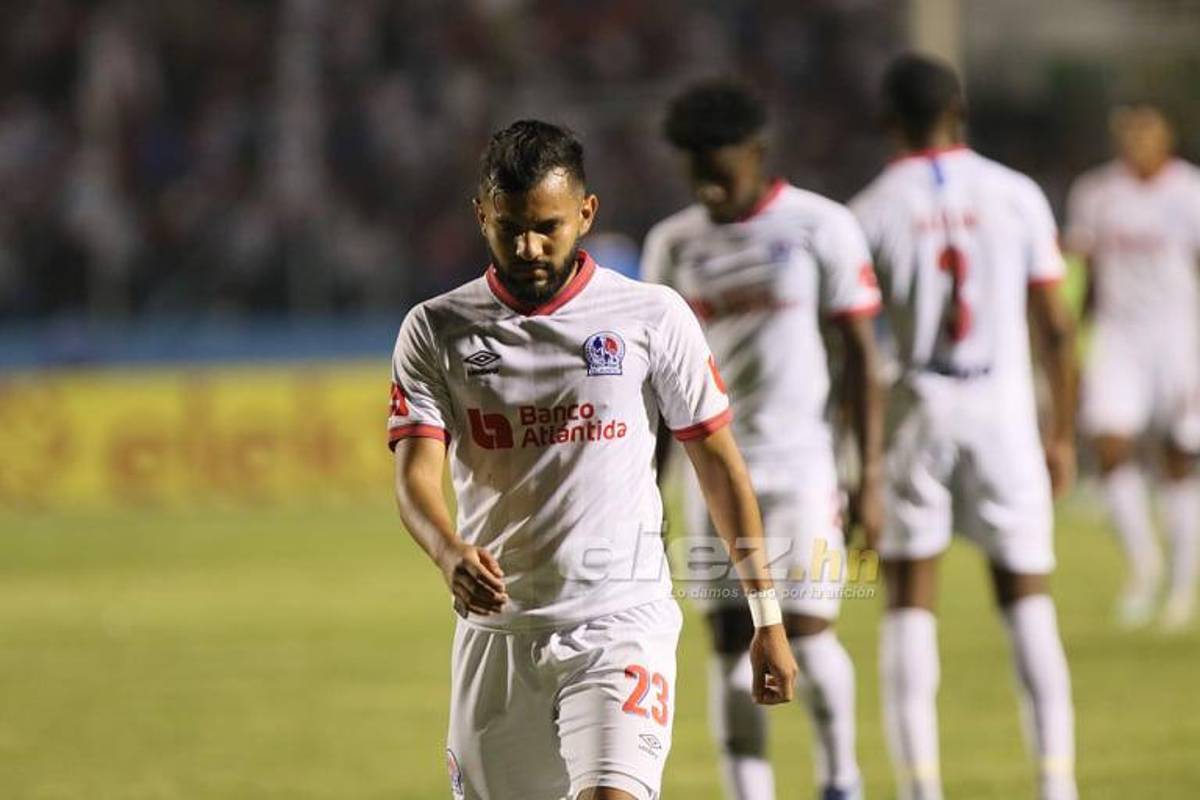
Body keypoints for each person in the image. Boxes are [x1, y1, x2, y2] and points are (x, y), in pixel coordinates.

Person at [389, 119, 798, 800]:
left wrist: (767, 618)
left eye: (548, 226)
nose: (528, 247)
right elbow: (414, 475)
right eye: (509, 226)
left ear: (587, 213)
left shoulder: (651, 316)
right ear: (481, 215)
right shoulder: (436, 328)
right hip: (501, 636)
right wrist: (448, 551)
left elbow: (721, 467)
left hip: (620, 623)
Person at [641, 80, 884, 800]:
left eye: (721, 167)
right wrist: (650, 489)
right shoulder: (673, 244)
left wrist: (867, 473)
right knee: (725, 644)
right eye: (695, 170)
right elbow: (655, 384)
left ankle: (841, 778)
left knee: (805, 631)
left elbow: (863, 358)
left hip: (802, 467)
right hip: (711, 472)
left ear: (757, 153)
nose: (709, 185)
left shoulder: (820, 225)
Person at [850, 54, 1079, 800]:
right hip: (1003, 408)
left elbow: (853, 349)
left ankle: (921, 788)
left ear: (888, 121)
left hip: (918, 408)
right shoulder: (1016, 195)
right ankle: (1056, 784)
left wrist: (865, 470)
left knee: (910, 599)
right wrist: (1061, 433)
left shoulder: (873, 208)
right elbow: (1056, 327)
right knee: (1027, 599)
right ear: (962, 109)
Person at [1065, 101, 1200, 630]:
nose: (1138, 142)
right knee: (1110, 445)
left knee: (1178, 459)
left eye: (1149, 133)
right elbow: (1085, 273)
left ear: (1166, 138)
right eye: (1130, 134)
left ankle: (1181, 589)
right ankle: (1144, 567)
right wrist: (1073, 340)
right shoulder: (1096, 194)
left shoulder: (1190, 191)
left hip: (1178, 338)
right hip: (1118, 339)